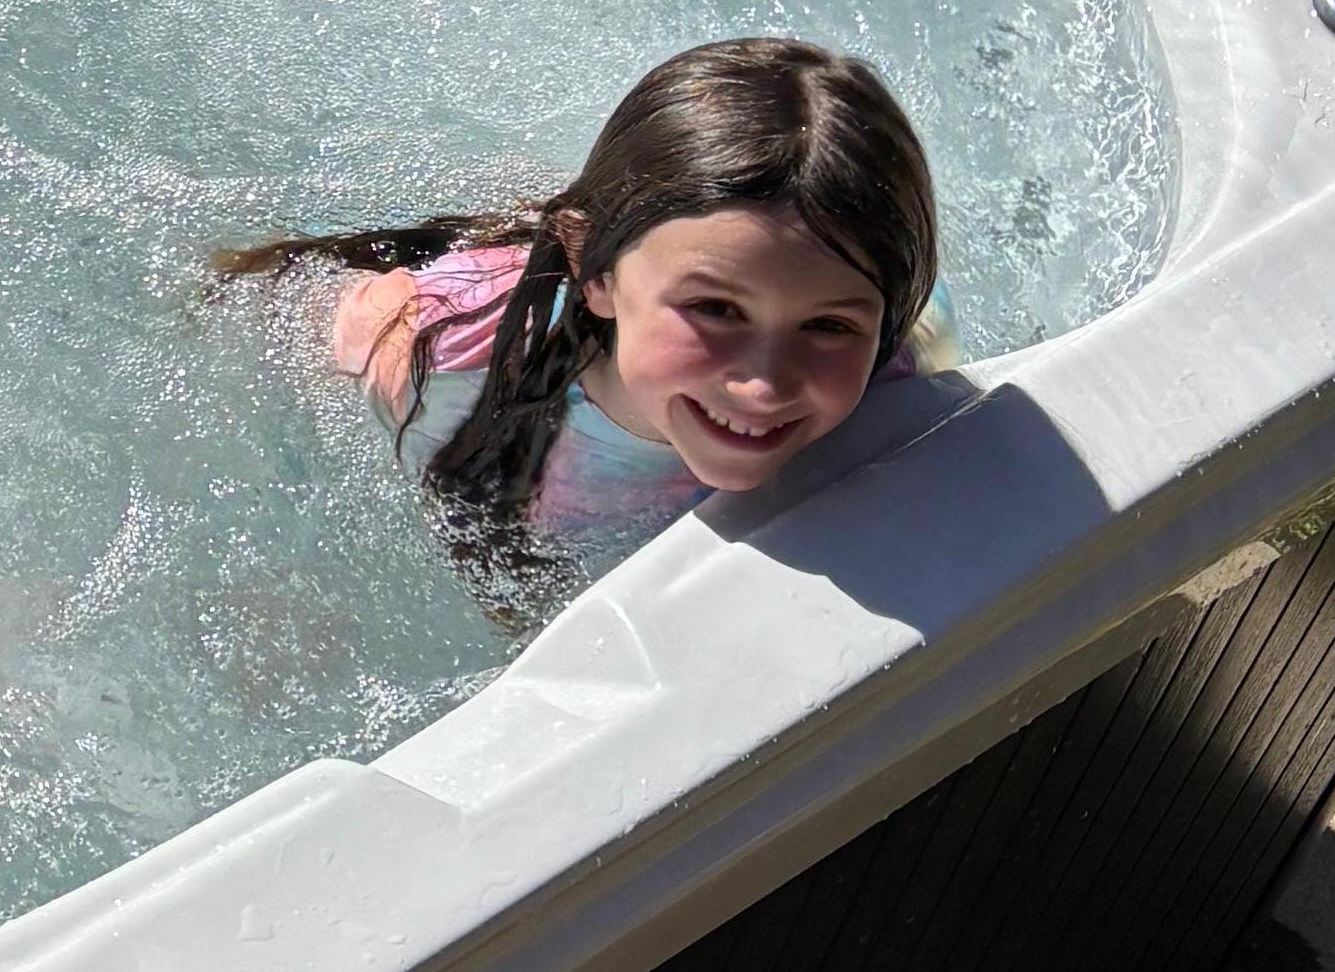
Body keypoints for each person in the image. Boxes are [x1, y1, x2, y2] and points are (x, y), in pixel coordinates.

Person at [222, 38, 941, 596]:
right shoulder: (442, 348)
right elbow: (276, 311)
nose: (766, 385)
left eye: (828, 326)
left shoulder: (894, 379)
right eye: (716, 310)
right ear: (594, 274)